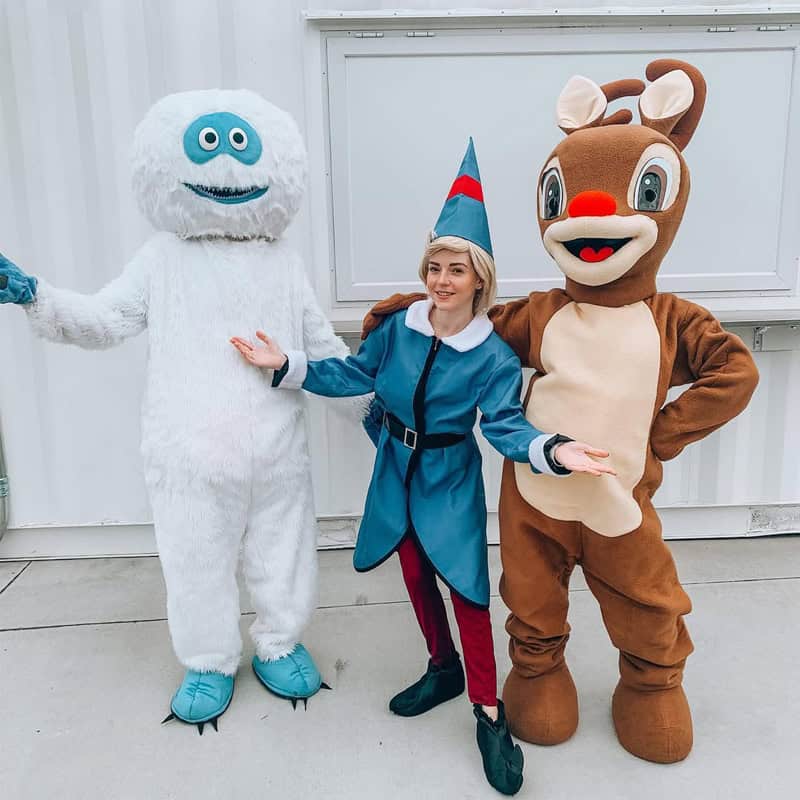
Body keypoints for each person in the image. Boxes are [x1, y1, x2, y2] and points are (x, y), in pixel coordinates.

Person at [231, 139, 614, 794]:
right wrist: (287, 366)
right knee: (412, 574)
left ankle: (487, 710)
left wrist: (554, 449)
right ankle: (443, 668)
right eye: (434, 266)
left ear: (479, 279)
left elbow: (504, 425)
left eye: (455, 269)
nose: (441, 279)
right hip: (394, 470)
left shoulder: (492, 356)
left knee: (466, 590)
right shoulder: (397, 329)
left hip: (449, 478)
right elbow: (354, 375)